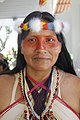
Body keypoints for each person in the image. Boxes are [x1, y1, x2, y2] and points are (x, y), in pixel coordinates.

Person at [0, 11, 80, 120]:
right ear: (21, 47)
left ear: (60, 47)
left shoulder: (76, 86)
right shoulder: (2, 86)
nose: (41, 48)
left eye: (49, 40)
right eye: (32, 40)